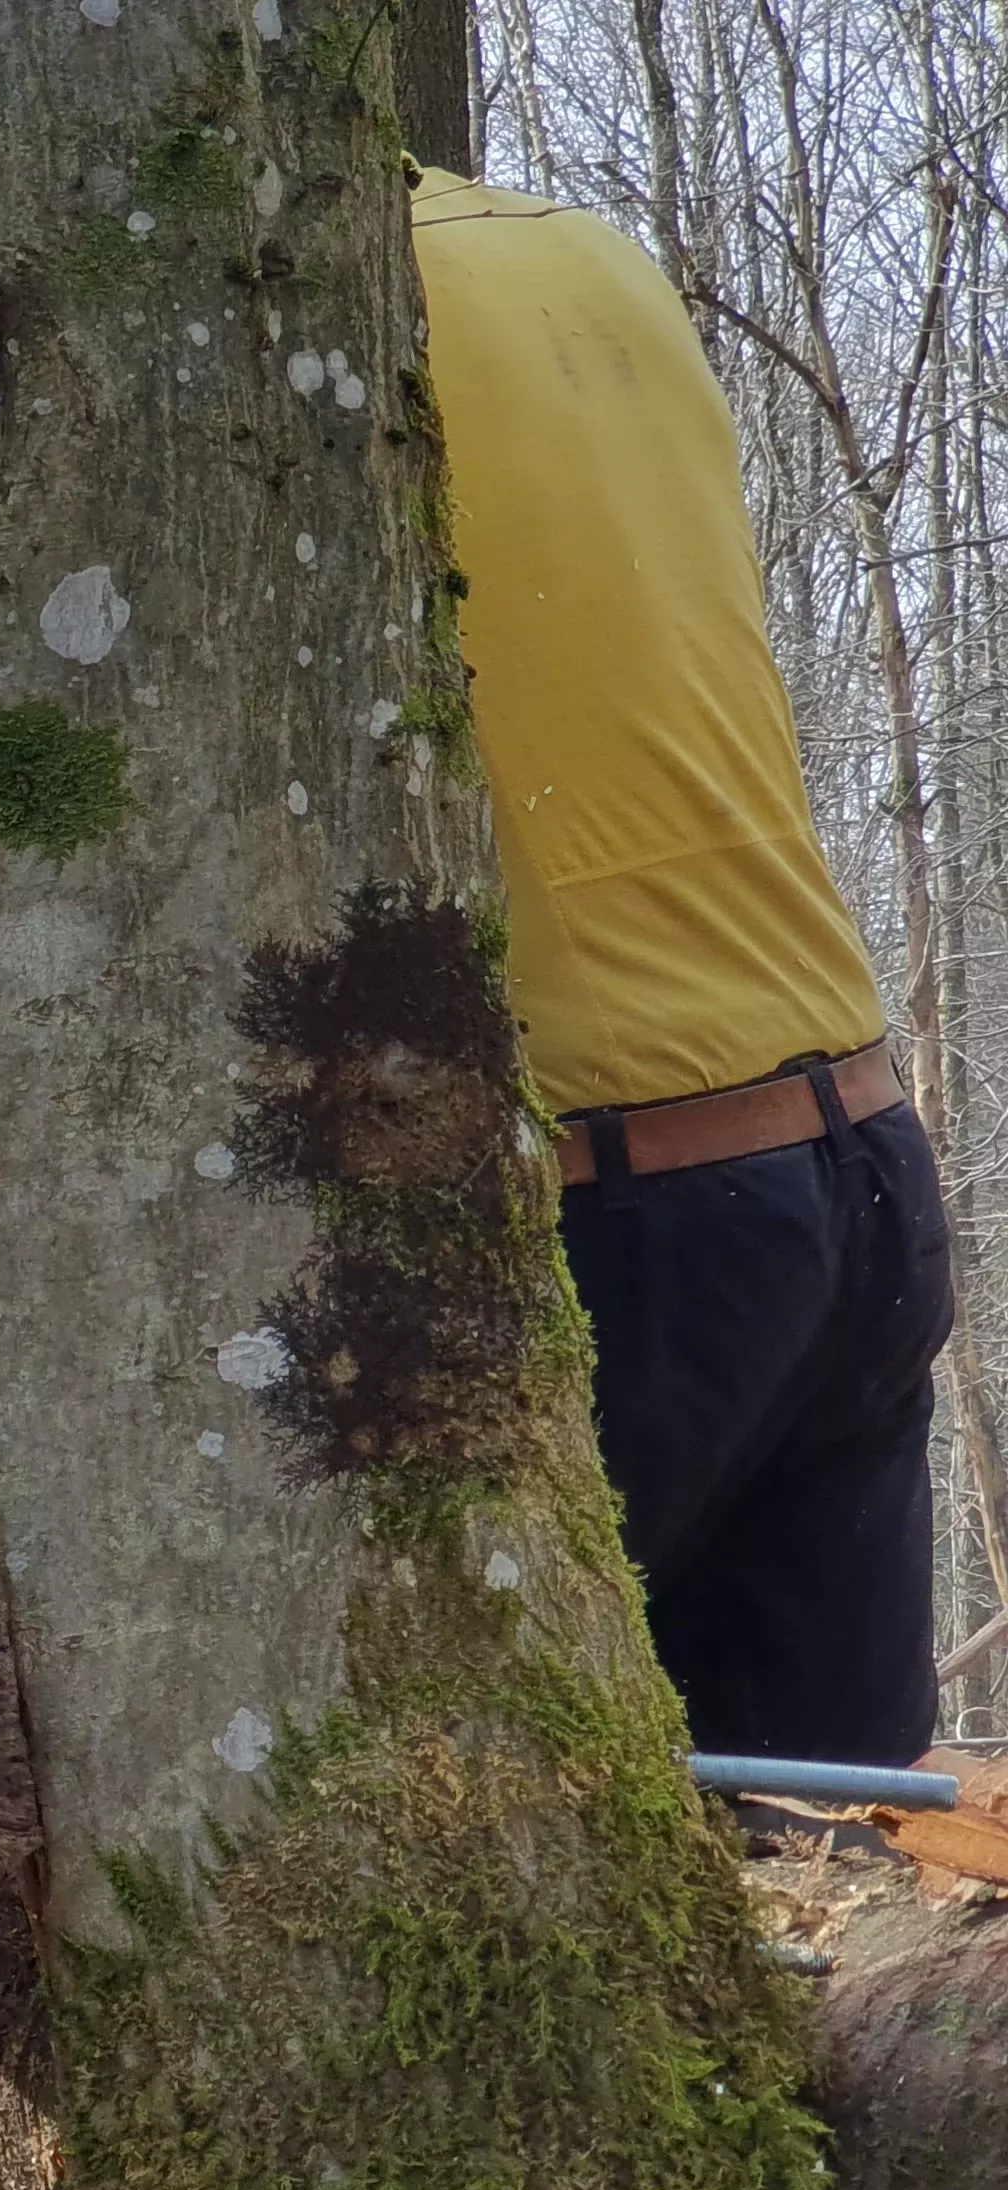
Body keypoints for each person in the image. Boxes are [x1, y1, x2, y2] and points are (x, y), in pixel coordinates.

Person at [413, 174, 952, 1768]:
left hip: (635, 1222)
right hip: (857, 1160)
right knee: (836, 1876)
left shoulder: (248, 306)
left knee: (454, 1844)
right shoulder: (579, 256)